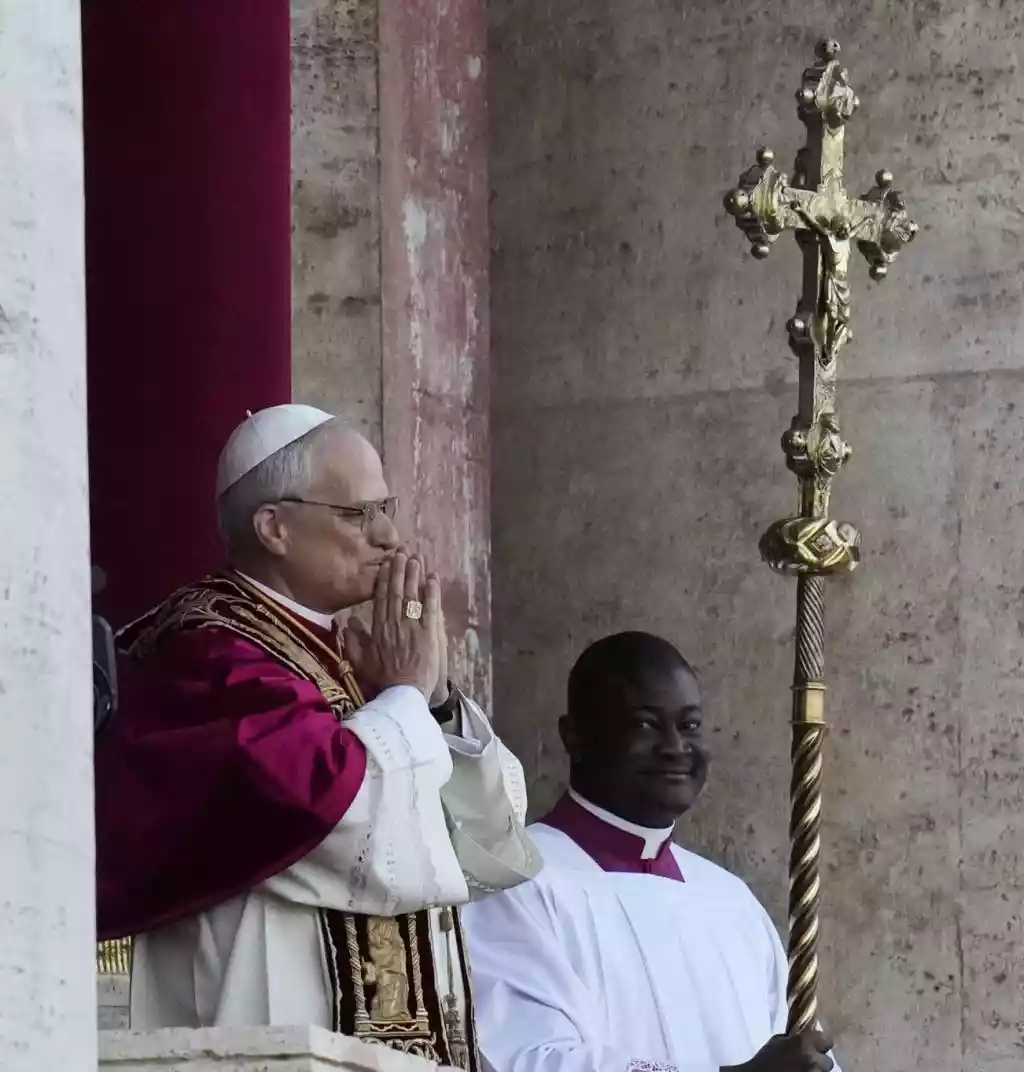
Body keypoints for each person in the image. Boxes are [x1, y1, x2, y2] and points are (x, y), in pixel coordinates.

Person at [95, 404, 539, 1070]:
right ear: (273, 527)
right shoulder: (208, 650)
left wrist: (436, 701)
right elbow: (321, 804)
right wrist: (405, 696)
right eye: (358, 515)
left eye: (385, 508)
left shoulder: (352, 656)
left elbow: (481, 845)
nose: (389, 536)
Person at [462, 631, 841, 1072]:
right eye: (645, 725)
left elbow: (800, 1051)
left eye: (689, 725)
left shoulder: (730, 899)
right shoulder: (516, 882)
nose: (675, 748)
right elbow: (527, 1059)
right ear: (575, 737)